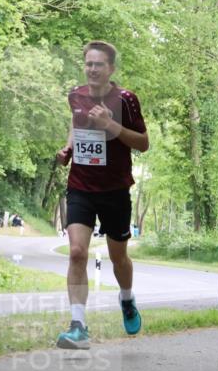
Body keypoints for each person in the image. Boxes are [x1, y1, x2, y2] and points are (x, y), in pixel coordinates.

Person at [54, 41, 149, 349]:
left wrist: (110, 124)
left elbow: (143, 143)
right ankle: (78, 326)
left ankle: (126, 298)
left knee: (118, 257)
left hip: (115, 189)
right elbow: (75, 123)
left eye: (99, 65)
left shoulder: (126, 100)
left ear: (111, 69)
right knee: (77, 252)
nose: (93, 69)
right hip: (81, 185)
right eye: (89, 64)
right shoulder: (75, 95)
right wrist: (68, 147)